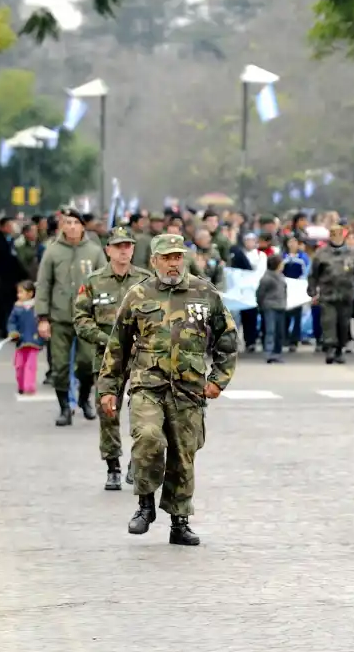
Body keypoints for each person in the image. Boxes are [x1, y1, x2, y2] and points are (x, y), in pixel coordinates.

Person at [97, 234, 239, 546]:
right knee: (147, 438)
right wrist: (108, 388)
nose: (173, 263)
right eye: (167, 257)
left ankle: (180, 522)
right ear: (154, 261)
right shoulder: (138, 295)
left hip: (189, 390)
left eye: (177, 257)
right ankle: (145, 505)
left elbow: (227, 339)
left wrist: (218, 379)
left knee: (183, 455)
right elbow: (117, 346)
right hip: (148, 385)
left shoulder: (204, 292)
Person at [73, 226, 154, 491]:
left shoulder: (145, 281)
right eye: (118, 246)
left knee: (145, 412)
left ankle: (136, 460)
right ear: (108, 250)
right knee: (108, 411)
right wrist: (105, 340)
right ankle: (113, 466)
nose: (123, 251)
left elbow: (159, 317)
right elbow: (81, 319)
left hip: (141, 357)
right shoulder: (94, 281)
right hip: (108, 358)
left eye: (127, 246)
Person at [35, 207, 107, 426]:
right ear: (62, 226)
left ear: (83, 226)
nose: (72, 227)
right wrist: (43, 318)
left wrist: (104, 316)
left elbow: (103, 284)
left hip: (87, 318)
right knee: (60, 366)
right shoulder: (53, 251)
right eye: (68, 223)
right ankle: (64, 407)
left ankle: (84, 399)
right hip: (59, 317)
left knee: (86, 363)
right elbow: (44, 284)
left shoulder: (94, 251)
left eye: (76, 223)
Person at [307, 224, 354, 364]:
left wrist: (352, 286)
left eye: (338, 233)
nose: (335, 236)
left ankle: (340, 349)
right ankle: (330, 348)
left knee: (343, 323)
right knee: (328, 322)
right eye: (332, 233)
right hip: (328, 294)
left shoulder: (352, 254)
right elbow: (313, 274)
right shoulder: (321, 253)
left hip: (345, 295)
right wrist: (312, 290)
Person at [7, 280, 44, 396]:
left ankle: (29, 387)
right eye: (18, 292)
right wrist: (13, 332)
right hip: (21, 341)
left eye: (21, 292)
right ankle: (21, 385)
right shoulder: (17, 308)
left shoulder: (37, 308)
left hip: (34, 341)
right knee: (19, 365)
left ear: (30, 293)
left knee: (30, 365)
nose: (19, 295)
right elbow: (11, 322)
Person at [256, 254, 288, 364]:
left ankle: (277, 353)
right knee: (271, 331)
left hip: (280, 306)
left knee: (279, 332)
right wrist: (261, 305)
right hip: (270, 307)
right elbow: (260, 293)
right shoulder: (267, 278)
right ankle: (269, 353)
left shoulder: (281, 276)